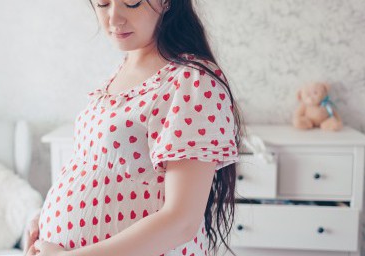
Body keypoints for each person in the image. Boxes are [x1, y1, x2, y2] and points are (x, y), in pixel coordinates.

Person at [24, 0, 246, 255]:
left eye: (131, 3)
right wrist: (44, 219)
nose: (114, 18)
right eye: (103, 3)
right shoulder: (124, 69)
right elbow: (100, 171)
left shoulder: (192, 82)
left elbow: (181, 221)